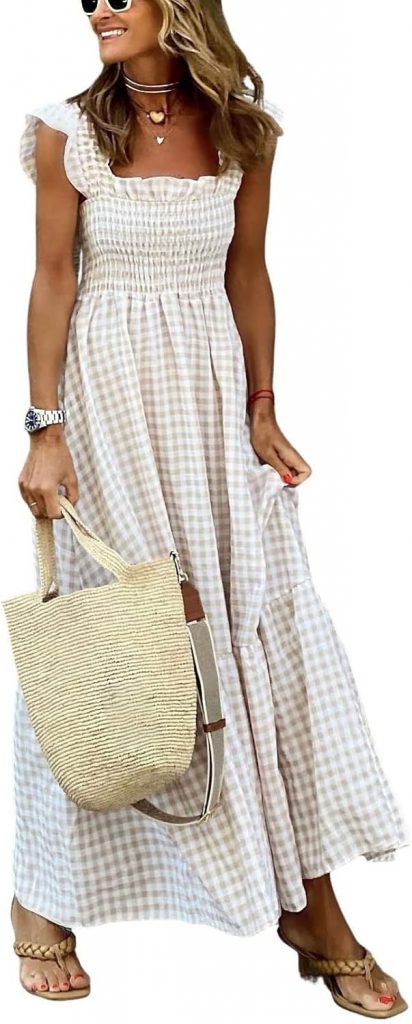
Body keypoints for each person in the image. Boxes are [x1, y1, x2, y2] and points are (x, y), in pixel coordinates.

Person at [11, 0, 409, 1014]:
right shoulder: (66, 133)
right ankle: (40, 896)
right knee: (119, 640)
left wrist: (264, 406)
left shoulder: (244, 130)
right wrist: (44, 427)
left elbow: (248, 272)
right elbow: (53, 280)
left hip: (210, 398)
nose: (99, 6)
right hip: (107, 401)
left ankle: (307, 905)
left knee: (255, 624)